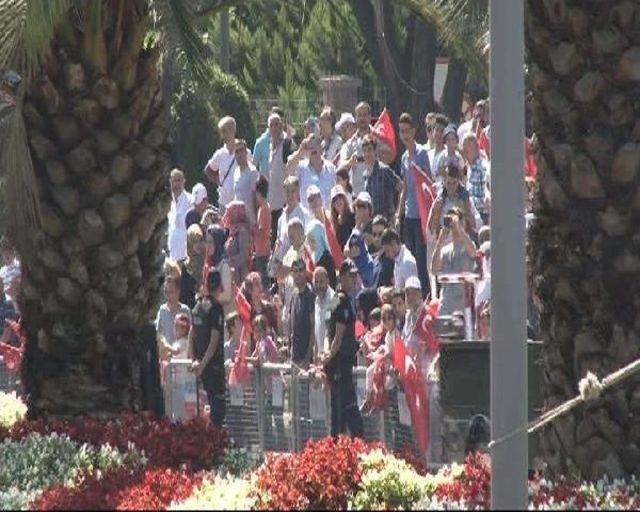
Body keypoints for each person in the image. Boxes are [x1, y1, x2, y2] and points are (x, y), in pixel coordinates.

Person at [323, 259, 364, 438]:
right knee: (346, 409)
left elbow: (327, 328)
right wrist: (328, 355)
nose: (354, 279)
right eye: (350, 276)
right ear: (342, 277)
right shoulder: (341, 301)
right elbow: (335, 334)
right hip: (340, 363)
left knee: (340, 411)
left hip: (338, 362)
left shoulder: (339, 299)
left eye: (355, 275)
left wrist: (326, 354)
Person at [397, 113, 431, 298]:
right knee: (410, 258)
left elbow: (428, 181)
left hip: (421, 216)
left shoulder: (422, 153)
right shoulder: (403, 158)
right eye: (401, 132)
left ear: (414, 131)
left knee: (421, 260)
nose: (405, 135)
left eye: (407, 131)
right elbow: (405, 188)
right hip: (409, 215)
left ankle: (425, 294)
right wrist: (398, 213)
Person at [189, 269, 226, 428]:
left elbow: (192, 334)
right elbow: (214, 341)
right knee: (218, 413)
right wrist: (203, 365)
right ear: (220, 286)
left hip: (200, 368)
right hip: (213, 368)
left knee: (205, 410)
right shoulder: (216, 308)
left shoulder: (197, 307)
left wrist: (194, 361)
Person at [431, 207, 477, 316]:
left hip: (463, 307)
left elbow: (473, 253)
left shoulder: (469, 245)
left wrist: (459, 227)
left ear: (463, 222)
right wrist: (440, 240)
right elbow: (434, 270)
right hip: (446, 305)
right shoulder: (445, 250)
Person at [267, 113, 296, 246]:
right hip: (273, 205)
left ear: (281, 126)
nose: (273, 128)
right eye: (271, 125)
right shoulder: (270, 147)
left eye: (276, 124)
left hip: (285, 203)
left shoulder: (287, 144)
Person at [286, 133, 336, 209]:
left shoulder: (331, 168)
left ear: (321, 148)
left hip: (327, 217)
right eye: (310, 146)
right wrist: (300, 152)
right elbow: (288, 172)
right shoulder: (301, 167)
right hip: (307, 218)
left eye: (316, 145)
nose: (313, 148)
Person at [204, 116, 242, 211]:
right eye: (221, 132)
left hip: (240, 203)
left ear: (233, 131)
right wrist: (218, 181)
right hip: (224, 203)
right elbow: (208, 170)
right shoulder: (220, 154)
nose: (222, 135)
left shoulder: (243, 151)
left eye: (225, 131)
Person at [428, 164, 476, 236]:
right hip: (444, 237)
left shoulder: (465, 198)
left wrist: (466, 212)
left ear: (458, 182)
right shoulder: (440, 199)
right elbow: (431, 229)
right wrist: (436, 211)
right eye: (448, 183)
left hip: (460, 238)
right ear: (444, 182)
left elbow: (475, 225)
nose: (451, 187)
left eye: (454, 183)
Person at [362, 135, 401, 220]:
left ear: (375, 151)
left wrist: (397, 214)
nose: (367, 154)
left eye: (369, 150)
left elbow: (401, 188)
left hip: (387, 221)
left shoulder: (384, 170)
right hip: (373, 224)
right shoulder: (365, 175)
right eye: (364, 151)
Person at [287, 258, 316, 368]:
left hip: (307, 359)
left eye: (301, 270)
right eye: (295, 271)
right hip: (294, 357)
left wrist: (308, 357)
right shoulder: (293, 295)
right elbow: (291, 326)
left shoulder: (310, 296)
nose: (298, 274)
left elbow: (314, 327)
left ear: (305, 272)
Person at [339, 101, 373, 195]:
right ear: (355, 118)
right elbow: (341, 166)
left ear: (370, 117)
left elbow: (390, 157)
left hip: (376, 195)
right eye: (359, 115)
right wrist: (350, 162)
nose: (362, 118)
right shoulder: (349, 144)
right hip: (358, 196)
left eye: (365, 115)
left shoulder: (378, 137)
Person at [156, 277, 192, 359]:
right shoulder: (162, 310)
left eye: (171, 292)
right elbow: (159, 333)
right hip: (166, 358)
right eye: (166, 292)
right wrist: (165, 345)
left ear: (178, 292)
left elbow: (191, 332)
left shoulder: (185, 310)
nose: (168, 295)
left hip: (182, 357)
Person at [462, 133, 491, 225]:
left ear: (476, 149)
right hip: (471, 216)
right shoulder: (469, 168)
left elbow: (486, 197)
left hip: (483, 217)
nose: (465, 155)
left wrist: (468, 202)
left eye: (467, 151)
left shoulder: (484, 168)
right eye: (464, 151)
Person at [203, 225, 233, 311]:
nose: (207, 246)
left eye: (211, 242)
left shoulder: (224, 266)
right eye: (206, 242)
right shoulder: (208, 264)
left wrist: (209, 295)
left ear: (218, 243)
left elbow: (227, 296)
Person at [232, 138, 259, 225]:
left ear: (246, 152)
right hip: (238, 221)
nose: (239, 154)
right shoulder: (236, 172)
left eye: (241, 151)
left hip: (250, 222)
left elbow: (256, 199)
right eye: (237, 152)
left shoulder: (253, 172)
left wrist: (257, 222)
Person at [168, 169, 192, 262]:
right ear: (170, 182)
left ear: (183, 181)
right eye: (174, 181)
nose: (176, 184)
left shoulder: (190, 201)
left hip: (185, 257)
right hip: (171, 257)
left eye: (179, 180)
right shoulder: (169, 203)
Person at [306, 219, 337, 289]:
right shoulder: (313, 257)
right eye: (309, 240)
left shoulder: (326, 258)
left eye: (312, 240)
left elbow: (330, 282)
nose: (310, 244)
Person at [313, 266, 335, 362]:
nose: (318, 285)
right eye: (316, 282)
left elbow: (329, 329)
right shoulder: (317, 300)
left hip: (331, 355)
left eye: (321, 282)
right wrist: (316, 355)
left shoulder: (334, 298)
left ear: (328, 281)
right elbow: (317, 329)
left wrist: (326, 353)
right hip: (321, 356)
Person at [254, 176, 272, 289]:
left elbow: (263, 231)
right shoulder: (263, 207)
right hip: (261, 250)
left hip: (263, 251)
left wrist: (252, 229)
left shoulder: (264, 209)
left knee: (264, 283)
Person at [370, 215, 394, 288]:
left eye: (380, 234)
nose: (377, 238)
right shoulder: (374, 259)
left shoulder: (392, 259)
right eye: (374, 234)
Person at [330, 185, 355, 249]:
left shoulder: (353, 217)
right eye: (335, 199)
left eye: (340, 197)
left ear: (345, 199)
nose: (338, 201)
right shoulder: (334, 223)